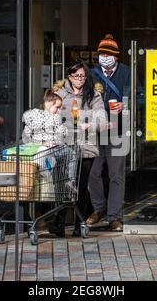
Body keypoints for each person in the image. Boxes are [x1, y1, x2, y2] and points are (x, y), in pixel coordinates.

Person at [50, 60, 107, 237]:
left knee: (81, 186)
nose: (79, 79)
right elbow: (50, 114)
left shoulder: (93, 95)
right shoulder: (59, 93)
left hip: (85, 147)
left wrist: (85, 122)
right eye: (76, 76)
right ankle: (59, 222)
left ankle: (79, 223)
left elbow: (102, 121)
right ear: (69, 76)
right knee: (64, 184)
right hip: (64, 146)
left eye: (82, 76)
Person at [87, 34, 132, 231]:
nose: (104, 57)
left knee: (116, 175)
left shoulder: (127, 73)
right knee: (92, 173)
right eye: (101, 54)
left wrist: (126, 105)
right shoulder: (92, 73)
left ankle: (115, 216)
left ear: (116, 56)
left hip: (118, 129)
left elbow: (139, 95)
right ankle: (98, 209)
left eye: (108, 54)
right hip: (96, 131)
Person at [21, 88, 77, 193]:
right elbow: (27, 137)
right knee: (67, 155)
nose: (59, 110)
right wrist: (43, 143)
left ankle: (70, 181)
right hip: (41, 151)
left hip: (53, 150)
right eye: (57, 107)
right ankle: (66, 181)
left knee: (70, 153)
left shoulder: (55, 118)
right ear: (48, 104)